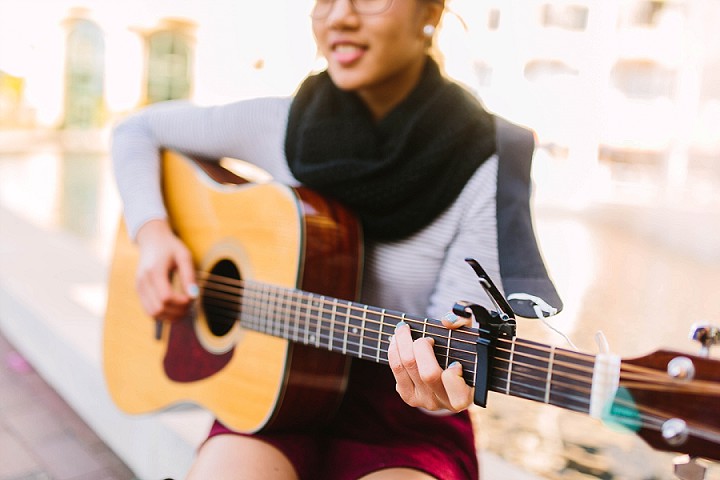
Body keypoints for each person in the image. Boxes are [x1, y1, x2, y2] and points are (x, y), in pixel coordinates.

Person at [111, 0, 561, 478]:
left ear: (429, 11)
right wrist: (154, 235)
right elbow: (136, 130)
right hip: (272, 394)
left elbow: (452, 359)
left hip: (401, 418)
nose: (339, 17)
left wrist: (440, 390)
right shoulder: (284, 124)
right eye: (325, 0)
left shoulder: (488, 159)